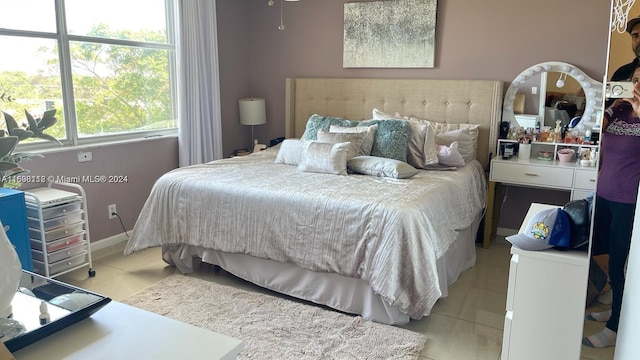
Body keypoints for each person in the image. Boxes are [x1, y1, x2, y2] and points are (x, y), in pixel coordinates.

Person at [582, 63, 640, 348]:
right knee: (601, 252)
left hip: (628, 201)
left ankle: (616, 327)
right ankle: (615, 308)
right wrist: (611, 104)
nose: (637, 86)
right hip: (604, 193)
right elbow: (594, 131)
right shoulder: (619, 111)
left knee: (620, 262)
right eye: (635, 80)